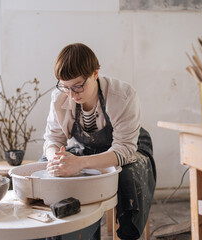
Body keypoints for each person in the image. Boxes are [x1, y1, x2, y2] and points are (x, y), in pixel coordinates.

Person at [41, 43, 156, 240]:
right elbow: (53, 140)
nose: (72, 94)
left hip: (130, 148)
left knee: (128, 174)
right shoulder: (59, 97)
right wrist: (56, 160)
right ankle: (72, 231)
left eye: (78, 86)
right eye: (65, 87)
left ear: (95, 73)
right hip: (86, 148)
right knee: (46, 166)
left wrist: (80, 163)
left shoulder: (122, 95)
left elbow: (124, 150)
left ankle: (128, 234)